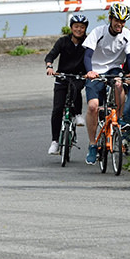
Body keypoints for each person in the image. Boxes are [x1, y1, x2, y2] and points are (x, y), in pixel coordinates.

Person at [82, 3, 130, 165]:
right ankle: (93, 145)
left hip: (114, 70)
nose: (119, 24)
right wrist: (90, 71)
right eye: (117, 21)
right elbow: (87, 56)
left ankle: (119, 119)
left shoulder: (127, 35)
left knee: (119, 84)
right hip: (96, 71)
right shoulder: (98, 32)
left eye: (123, 21)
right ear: (110, 19)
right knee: (93, 106)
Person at [44, 13, 88, 155]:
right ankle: (55, 142)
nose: (79, 30)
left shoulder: (88, 43)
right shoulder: (63, 41)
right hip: (62, 76)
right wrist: (49, 66)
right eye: (76, 27)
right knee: (57, 109)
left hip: (79, 75)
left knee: (76, 87)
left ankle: (78, 114)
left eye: (82, 27)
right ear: (71, 28)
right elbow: (51, 55)